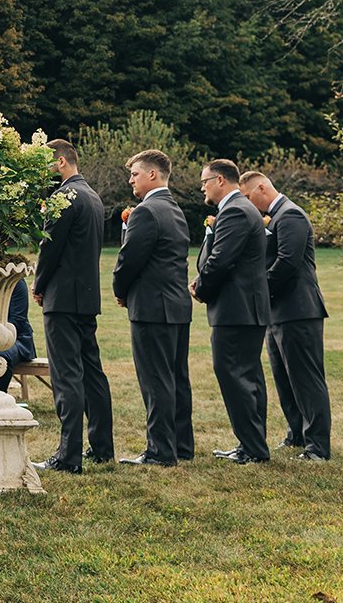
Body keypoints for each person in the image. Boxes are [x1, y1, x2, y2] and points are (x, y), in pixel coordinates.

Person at [31, 139, 115, 474]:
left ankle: (68, 456)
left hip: (62, 298)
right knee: (92, 373)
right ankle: (102, 447)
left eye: (49, 164)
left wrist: (39, 286)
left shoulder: (64, 196)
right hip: (86, 297)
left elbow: (50, 248)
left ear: (63, 161)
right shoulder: (93, 197)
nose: (47, 172)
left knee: (66, 375)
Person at [241, 171, 331, 461]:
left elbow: (287, 263)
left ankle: (317, 446)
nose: (247, 204)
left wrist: (257, 289)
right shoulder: (275, 216)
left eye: (247, 197)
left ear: (262, 188)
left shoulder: (291, 215)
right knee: (284, 378)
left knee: (306, 379)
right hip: (277, 312)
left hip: (299, 311)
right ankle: (296, 434)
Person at [112, 149, 194, 467]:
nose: (130, 179)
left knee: (155, 380)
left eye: (134, 173)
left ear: (152, 175)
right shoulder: (174, 209)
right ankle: (181, 445)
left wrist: (121, 292)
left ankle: (160, 451)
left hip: (152, 308)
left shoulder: (147, 211)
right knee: (176, 378)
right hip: (176, 306)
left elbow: (129, 259)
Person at [192, 159, 272, 465]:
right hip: (245, 308)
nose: (203, 188)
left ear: (220, 180)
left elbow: (220, 261)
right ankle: (251, 444)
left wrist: (201, 288)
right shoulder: (240, 209)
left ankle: (252, 447)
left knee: (234, 375)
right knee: (248, 377)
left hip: (238, 309)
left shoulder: (236, 210)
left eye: (205, 182)